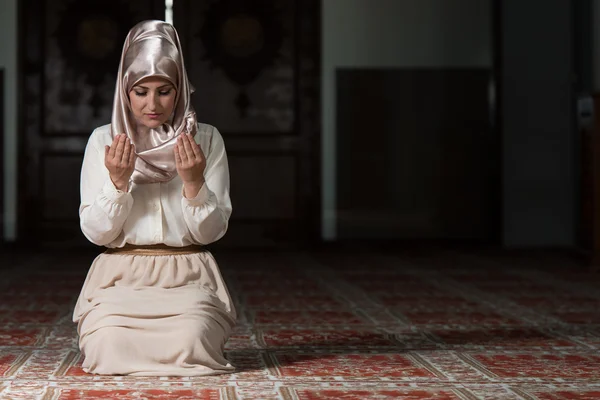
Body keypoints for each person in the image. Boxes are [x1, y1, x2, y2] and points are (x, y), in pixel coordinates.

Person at [72, 20, 236, 376]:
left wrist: (193, 183)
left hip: (189, 278)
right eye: (140, 91)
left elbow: (210, 234)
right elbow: (97, 234)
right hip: (119, 281)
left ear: (180, 91)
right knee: (109, 345)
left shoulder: (205, 140)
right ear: (124, 92)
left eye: (164, 90)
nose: (152, 104)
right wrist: (117, 183)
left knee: (192, 340)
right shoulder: (104, 141)